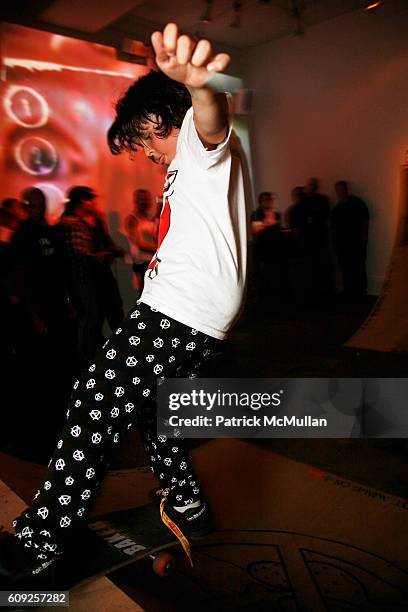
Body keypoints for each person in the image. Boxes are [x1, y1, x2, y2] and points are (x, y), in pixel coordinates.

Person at [0, 22, 249, 588]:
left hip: (178, 314)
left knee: (94, 400)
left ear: (164, 118)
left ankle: (41, 542)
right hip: (195, 319)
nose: (142, 153)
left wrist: (200, 86)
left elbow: (212, 117)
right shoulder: (185, 167)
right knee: (157, 416)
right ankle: (187, 503)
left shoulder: (196, 139)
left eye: (142, 139)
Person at [58, 186, 123, 365]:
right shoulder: (71, 222)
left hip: (91, 276)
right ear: (80, 202)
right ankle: (84, 357)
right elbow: (78, 254)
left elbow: (99, 242)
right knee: (88, 316)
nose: (93, 203)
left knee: (98, 313)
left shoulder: (91, 219)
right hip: (81, 277)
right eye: (89, 199)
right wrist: (99, 256)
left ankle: (92, 352)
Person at [331, 180, 369, 299]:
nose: (340, 193)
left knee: (359, 266)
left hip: (356, 242)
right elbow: (334, 229)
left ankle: (361, 292)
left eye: (342, 189)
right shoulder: (336, 210)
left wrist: (364, 235)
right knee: (346, 268)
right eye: (338, 190)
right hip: (343, 244)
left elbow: (365, 219)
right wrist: (335, 245)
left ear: (346, 190)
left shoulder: (357, 203)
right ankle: (349, 291)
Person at [124, 188, 158, 291]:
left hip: (152, 260)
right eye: (142, 199)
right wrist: (157, 249)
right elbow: (138, 243)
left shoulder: (150, 217)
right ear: (136, 201)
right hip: (141, 261)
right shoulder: (132, 219)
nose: (145, 202)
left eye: (147, 199)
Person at [251, 192, 282, 300]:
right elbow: (255, 230)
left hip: (274, 250)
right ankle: (262, 299)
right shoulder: (256, 214)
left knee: (274, 274)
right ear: (260, 201)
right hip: (261, 249)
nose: (268, 201)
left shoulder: (276, 214)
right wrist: (268, 221)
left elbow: (278, 231)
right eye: (265, 199)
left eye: (269, 199)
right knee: (261, 275)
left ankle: (274, 298)